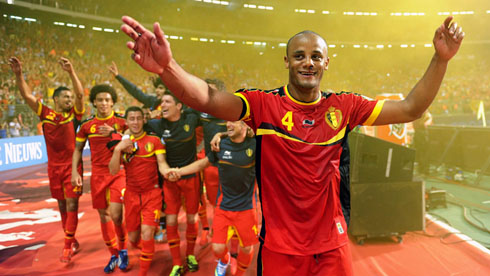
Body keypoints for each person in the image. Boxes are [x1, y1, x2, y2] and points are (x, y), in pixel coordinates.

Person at [121, 15, 464, 276]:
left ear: (327, 62)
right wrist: (167, 67)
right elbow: (208, 99)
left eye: (316, 56)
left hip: (332, 244)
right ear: (286, 62)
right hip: (280, 248)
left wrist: (441, 60)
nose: (308, 62)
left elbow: (410, 109)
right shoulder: (262, 104)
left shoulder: (344, 106)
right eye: (298, 55)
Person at [9, 56, 85, 263]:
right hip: (53, 168)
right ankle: (72, 238)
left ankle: (67, 246)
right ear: (56, 100)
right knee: (61, 205)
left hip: (73, 169)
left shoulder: (75, 116)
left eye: (71, 97)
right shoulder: (46, 114)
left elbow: (80, 94)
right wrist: (18, 74)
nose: (70, 99)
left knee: (71, 204)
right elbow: (26, 95)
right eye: (65, 97)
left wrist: (71, 72)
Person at [171, 120, 258, 276]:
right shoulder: (221, 145)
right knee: (217, 248)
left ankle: (239, 273)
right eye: (228, 122)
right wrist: (179, 172)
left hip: (246, 208)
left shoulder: (255, 145)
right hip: (223, 206)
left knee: (246, 247)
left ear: (245, 125)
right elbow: (201, 164)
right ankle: (224, 262)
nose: (228, 125)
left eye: (234, 122)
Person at [71, 84, 129, 273]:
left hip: (118, 173)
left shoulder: (122, 121)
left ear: (113, 102)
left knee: (116, 215)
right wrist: (74, 172)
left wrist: (117, 135)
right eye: (100, 100)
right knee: (103, 216)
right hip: (97, 175)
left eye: (107, 100)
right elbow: (78, 149)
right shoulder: (87, 125)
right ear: (94, 102)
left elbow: (132, 140)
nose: (104, 103)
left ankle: (123, 250)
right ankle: (114, 254)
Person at [108, 106, 173, 276]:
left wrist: (168, 172)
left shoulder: (155, 140)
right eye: (132, 119)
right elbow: (113, 171)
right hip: (131, 196)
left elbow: (162, 163)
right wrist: (117, 149)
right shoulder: (122, 142)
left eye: (139, 118)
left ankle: (142, 272)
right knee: (134, 238)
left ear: (144, 120)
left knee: (147, 232)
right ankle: (145, 248)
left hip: (152, 194)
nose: (136, 122)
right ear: (127, 121)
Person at [145, 91, 201, 276]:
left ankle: (190, 256)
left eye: (168, 101)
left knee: (192, 218)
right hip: (169, 180)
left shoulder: (191, 119)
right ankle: (177, 263)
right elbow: (132, 127)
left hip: (191, 179)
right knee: (170, 220)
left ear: (179, 106)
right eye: (162, 102)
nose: (163, 105)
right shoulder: (155, 124)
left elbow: (209, 110)